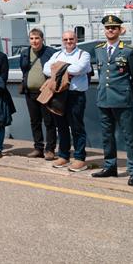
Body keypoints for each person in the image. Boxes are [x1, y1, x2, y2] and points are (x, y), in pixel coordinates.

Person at [92, 15, 133, 186]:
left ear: (120, 30)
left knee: (129, 137)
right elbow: (101, 75)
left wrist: (128, 95)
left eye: (114, 27)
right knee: (107, 136)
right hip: (103, 99)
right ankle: (110, 166)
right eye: (107, 27)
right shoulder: (99, 49)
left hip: (122, 99)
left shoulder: (128, 50)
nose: (110, 30)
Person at [43, 30, 93, 172]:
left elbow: (79, 68)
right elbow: (46, 69)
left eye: (71, 39)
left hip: (75, 95)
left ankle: (79, 158)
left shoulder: (84, 55)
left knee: (77, 127)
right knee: (62, 126)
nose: (68, 42)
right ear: (62, 41)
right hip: (59, 95)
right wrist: (65, 69)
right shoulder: (57, 54)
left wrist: (58, 68)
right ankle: (64, 155)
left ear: (76, 40)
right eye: (65, 39)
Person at [19, 28, 57, 160]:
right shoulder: (25, 53)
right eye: (32, 38)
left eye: (37, 38)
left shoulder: (51, 52)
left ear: (42, 39)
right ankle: (38, 148)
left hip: (46, 93)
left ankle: (50, 149)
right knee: (34, 121)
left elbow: (57, 70)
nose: (34, 41)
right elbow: (23, 70)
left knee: (49, 122)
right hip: (30, 93)